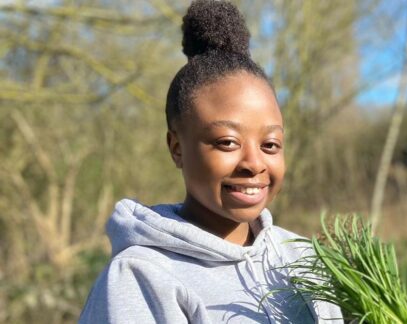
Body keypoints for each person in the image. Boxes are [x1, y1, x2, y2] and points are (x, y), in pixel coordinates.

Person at [78, 1, 342, 323]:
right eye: (227, 142)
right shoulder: (142, 276)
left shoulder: (304, 258)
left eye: (270, 144)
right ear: (176, 148)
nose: (254, 163)